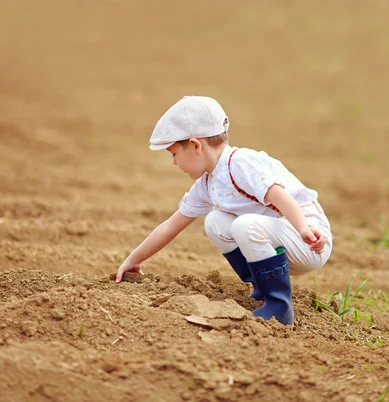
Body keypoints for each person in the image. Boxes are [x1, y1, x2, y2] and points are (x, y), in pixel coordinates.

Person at [115, 96, 332, 325]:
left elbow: (280, 195)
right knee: (215, 221)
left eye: (174, 154)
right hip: (279, 241)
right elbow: (171, 225)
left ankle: (279, 308)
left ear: (196, 145)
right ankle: (263, 290)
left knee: (244, 225)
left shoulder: (240, 163)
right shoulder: (208, 183)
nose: (174, 163)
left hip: (309, 239)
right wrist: (134, 259)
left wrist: (304, 228)